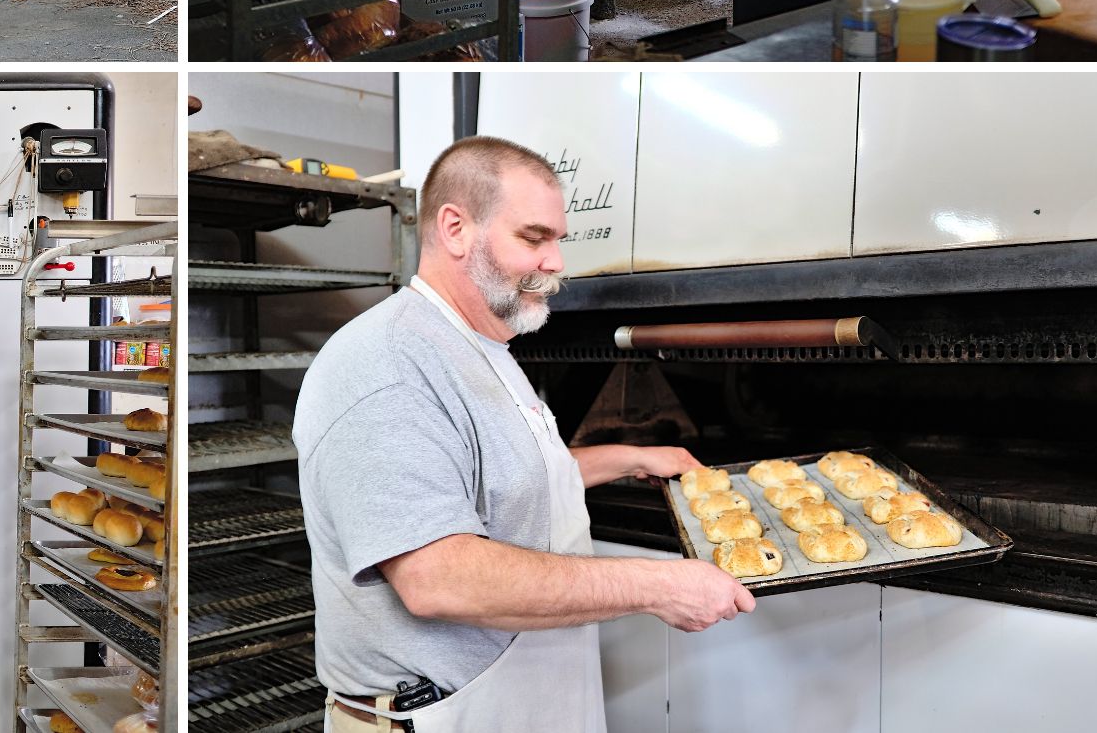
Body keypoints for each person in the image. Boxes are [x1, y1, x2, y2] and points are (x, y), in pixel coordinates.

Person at [293, 135, 755, 732]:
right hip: (438, 717)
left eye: (557, 240)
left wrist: (625, 457)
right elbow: (438, 577)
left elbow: (493, 476)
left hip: (517, 703)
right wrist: (659, 584)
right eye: (533, 238)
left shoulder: (481, 346)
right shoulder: (387, 363)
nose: (556, 262)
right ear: (455, 228)